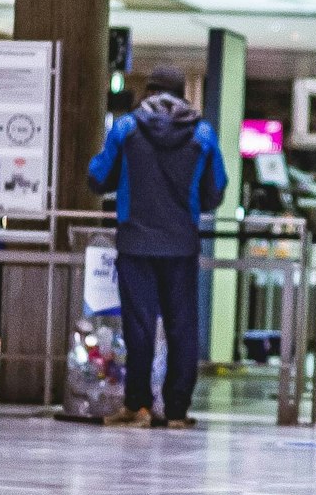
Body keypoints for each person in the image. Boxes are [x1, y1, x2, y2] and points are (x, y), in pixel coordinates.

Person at [87, 65, 229, 429]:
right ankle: (178, 410)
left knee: (139, 326)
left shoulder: (126, 127)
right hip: (182, 243)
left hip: (135, 241)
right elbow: (216, 189)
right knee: (183, 327)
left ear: (148, 91)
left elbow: (99, 178)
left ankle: (138, 405)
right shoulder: (202, 133)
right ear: (182, 93)